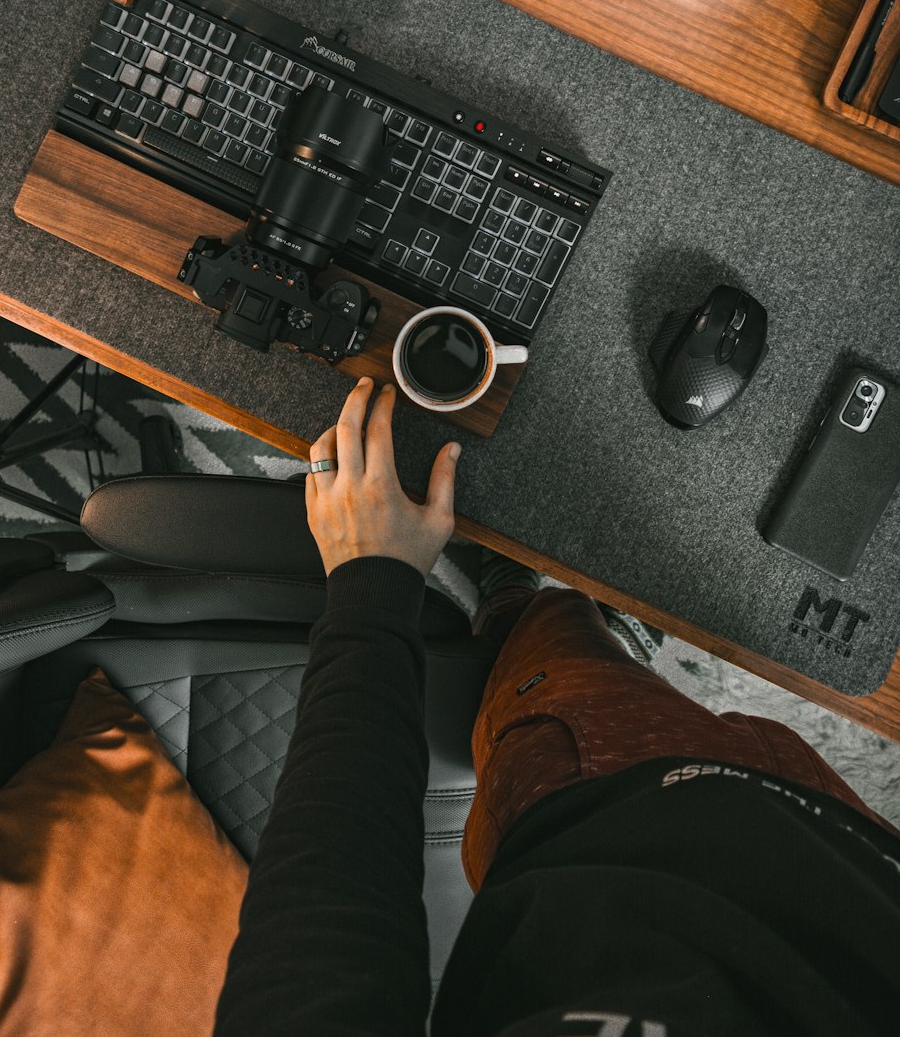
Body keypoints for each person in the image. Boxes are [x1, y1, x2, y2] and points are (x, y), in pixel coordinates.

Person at [214, 378, 900, 1037]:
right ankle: (587, 629)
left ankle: (521, 610)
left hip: (589, 810)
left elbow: (323, 900)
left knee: (554, 632)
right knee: (598, 646)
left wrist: (371, 581)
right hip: (827, 833)